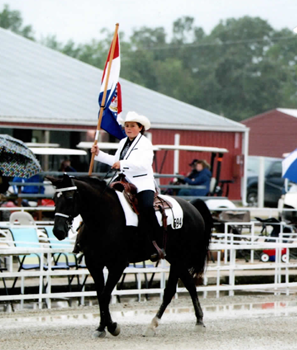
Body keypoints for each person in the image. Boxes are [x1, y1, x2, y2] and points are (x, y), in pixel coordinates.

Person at [91, 111, 165, 260]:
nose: (129, 128)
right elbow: (115, 160)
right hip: (124, 181)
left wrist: (122, 164)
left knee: (146, 207)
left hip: (142, 183)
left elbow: (144, 165)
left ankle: (158, 241)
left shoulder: (145, 143)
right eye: (127, 126)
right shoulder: (123, 142)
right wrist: (98, 154)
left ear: (140, 128)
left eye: (132, 126)